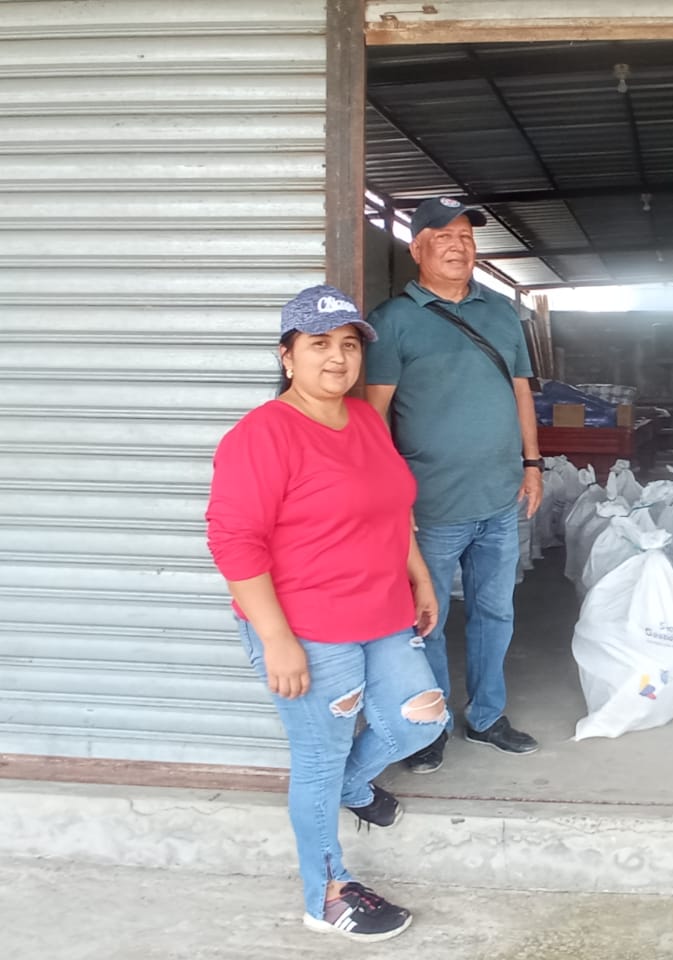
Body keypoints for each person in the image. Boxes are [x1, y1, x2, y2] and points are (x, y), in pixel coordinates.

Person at [206, 284, 448, 942]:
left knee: (422, 720)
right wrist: (276, 639)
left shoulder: (365, 419)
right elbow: (234, 544)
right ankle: (328, 895)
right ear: (287, 356)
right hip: (307, 627)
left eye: (348, 345)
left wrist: (420, 577)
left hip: (382, 610)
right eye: (319, 344)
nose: (337, 358)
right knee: (319, 754)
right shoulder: (262, 436)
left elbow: (392, 506)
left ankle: (350, 785)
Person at [365, 196, 542, 774]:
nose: (458, 245)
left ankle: (487, 716)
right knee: (429, 619)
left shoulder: (503, 313)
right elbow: (375, 414)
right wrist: (391, 495)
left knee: (496, 612)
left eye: (466, 236)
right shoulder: (393, 320)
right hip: (431, 506)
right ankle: (433, 724)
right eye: (443, 236)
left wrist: (533, 463)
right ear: (417, 248)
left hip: (500, 497)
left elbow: (521, 391)